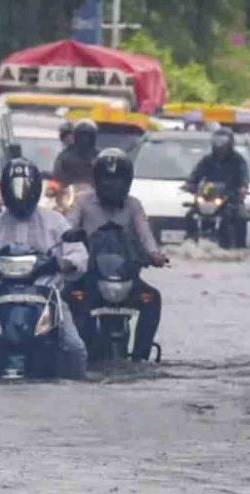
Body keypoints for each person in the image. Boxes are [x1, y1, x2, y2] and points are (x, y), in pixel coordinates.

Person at [0, 159, 88, 378]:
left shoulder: (55, 222)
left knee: (75, 348)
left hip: (46, 296)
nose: (20, 195)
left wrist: (64, 262)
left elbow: (78, 253)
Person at [67, 148, 168, 361]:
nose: (112, 185)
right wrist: (68, 244)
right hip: (90, 277)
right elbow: (67, 228)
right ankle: (81, 352)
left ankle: (141, 355)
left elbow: (145, 234)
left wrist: (154, 255)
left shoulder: (133, 205)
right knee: (72, 299)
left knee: (152, 299)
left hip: (125, 276)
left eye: (118, 181)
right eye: (106, 180)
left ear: (128, 182)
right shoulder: (82, 202)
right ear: (97, 180)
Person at [185, 127, 250, 248]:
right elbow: (196, 173)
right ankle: (190, 241)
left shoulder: (238, 160)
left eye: (223, 141)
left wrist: (243, 187)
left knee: (241, 217)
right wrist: (189, 183)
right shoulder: (208, 160)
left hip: (231, 197)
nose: (219, 144)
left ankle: (240, 246)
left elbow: (243, 176)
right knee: (190, 215)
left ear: (230, 142)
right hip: (208, 196)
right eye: (217, 140)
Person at [52, 119, 99, 190]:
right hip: (69, 196)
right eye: (82, 135)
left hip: (94, 197)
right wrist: (53, 189)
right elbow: (57, 176)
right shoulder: (65, 156)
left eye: (88, 135)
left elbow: (106, 178)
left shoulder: (100, 157)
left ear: (93, 137)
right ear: (76, 136)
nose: (84, 139)